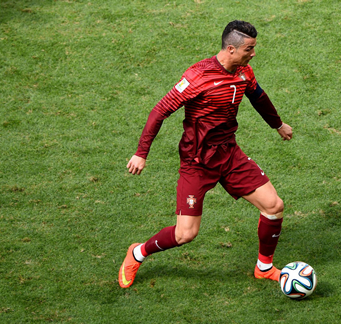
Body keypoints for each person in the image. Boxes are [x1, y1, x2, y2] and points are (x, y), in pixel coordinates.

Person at [119, 20, 293, 288]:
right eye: (249, 49)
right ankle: (137, 253)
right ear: (231, 49)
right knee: (185, 234)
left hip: (230, 153)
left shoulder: (244, 72)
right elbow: (159, 111)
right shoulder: (197, 76)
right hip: (197, 162)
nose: (253, 54)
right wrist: (141, 153)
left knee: (274, 206)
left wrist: (278, 125)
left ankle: (264, 267)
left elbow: (259, 97)